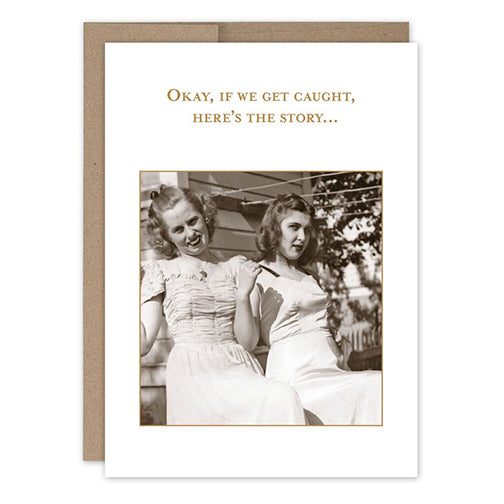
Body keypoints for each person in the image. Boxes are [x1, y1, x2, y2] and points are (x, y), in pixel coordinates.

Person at [141, 185, 306, 425]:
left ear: (204, 216)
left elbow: (248, 343)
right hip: (193, 373)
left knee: (282, 396)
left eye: (193, 221)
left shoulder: (236, 268)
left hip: (238, 367)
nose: (191, 233)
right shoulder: (160, 271)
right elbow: (143, 343)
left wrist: (243, 295)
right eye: (178, 229)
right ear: (167, 237)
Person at [238, 193, 382, 425]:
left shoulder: (310, 275)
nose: (302, 237)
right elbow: (247, 343)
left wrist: (335, 336)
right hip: (297, 374)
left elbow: (315, 322)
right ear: (274, 229)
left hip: (332, 367)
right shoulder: (257, 275)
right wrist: (243, 295)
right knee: (376, 385)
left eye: (307, 229)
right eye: (294, 227)